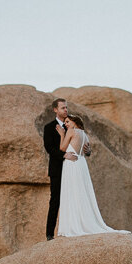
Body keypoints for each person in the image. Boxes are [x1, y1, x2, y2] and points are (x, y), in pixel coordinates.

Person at [56, 115, 129, 237]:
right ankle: (82, 221)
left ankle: (74, 225)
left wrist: (62, 134)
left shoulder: (71, 131)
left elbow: (62, 148)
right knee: (81, 192)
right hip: (81, 163)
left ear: (75, 122)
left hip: (71, 164)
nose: (66, 124)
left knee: (72, 192)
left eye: (68, 121)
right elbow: (87, 151)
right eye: (65, 122)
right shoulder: (84, 135)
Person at [43, 98, 82, 240]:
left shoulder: (72, 126)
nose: (66, 110)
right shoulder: (49, 127)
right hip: (57, 170)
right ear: (55, 110)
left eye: (66, 108)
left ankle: (75, 230)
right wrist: (64, 155)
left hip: (72, 169)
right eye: (62, 108)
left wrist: (87, 151)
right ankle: (49, 234)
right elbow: (49, 148)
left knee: (74, 199)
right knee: (55, 201)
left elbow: (81, 144)